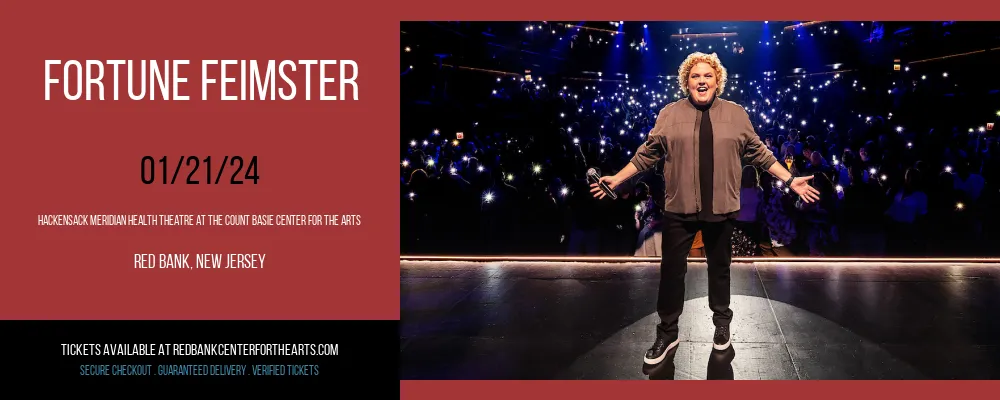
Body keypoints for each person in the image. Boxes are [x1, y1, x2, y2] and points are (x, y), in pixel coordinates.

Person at [590, 52, 819, 365]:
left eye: (707, 76)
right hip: (678, 208)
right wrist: (617, 178)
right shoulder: (669, 114)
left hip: (721, 207)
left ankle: (721, 324)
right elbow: (646, 155)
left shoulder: (736, 114)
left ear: (718, 81)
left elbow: (762, 155)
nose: (701, 80)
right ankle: (668, 333)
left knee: (720, 270)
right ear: (687, 81)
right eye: (695, 76)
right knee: (671, 272)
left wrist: (790, 180)